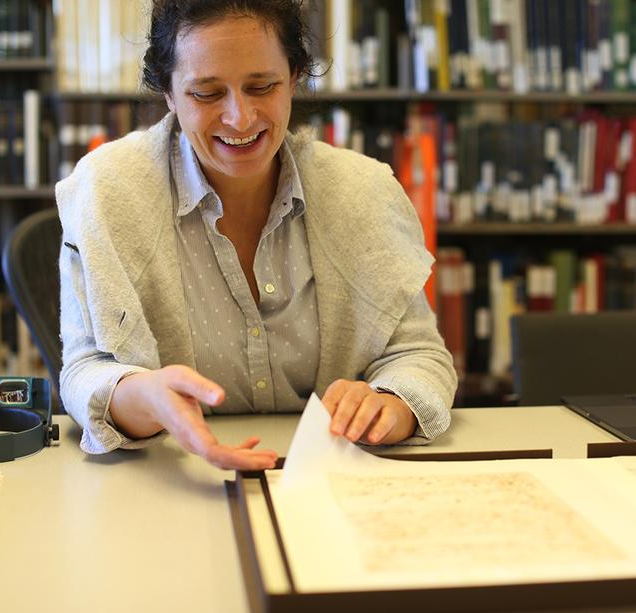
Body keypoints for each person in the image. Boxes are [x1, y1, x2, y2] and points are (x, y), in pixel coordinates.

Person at [56, 0, 457, 470]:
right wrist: (141, 398)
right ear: (167, 93)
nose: (240, 118)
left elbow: (420, 354)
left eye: (261, 86)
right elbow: (84, 371)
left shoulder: (363, 191)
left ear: (295, 78)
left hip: (334, 476)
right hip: (174, 476)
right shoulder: (108, 190)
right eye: (207, 94)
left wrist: (395, 402)